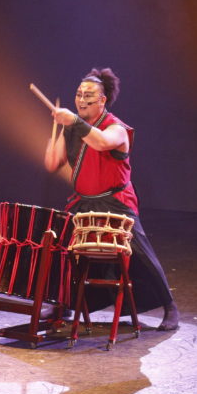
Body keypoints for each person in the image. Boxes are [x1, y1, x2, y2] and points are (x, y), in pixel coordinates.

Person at [44, 68, 179, 331]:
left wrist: (73, 122)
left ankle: (169, 306)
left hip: (116, 202)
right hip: (83, 202)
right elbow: (52, 163)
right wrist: (57, 131)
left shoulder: (116, 128)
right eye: (79, 94)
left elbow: (101, 143)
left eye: (88, 96)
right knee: (64, 249)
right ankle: (64, 303)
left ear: (102, 100)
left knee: (138, 251)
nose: (81, 100)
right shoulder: (71, 128)